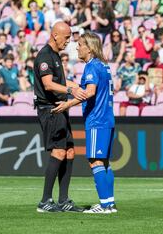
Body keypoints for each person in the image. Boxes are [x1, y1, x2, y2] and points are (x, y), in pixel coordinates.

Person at [51, 32, 116, 214]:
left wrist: (67, 104)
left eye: (80, 44)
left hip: (97, 120)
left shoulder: (91, 67)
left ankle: (104, 206)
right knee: (104, 162)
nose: (77, 47)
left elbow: (89, 92)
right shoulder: (104, 66)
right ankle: (109, 203)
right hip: (108, 118)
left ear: (89, 47)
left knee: (95, 161)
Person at [34, 22, 85, 213]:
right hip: (51, 109)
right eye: (67, 37)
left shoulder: (55, 56)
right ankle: (45, 201)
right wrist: (71, 90)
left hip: (61, 109)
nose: (69, 41)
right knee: (58, 152)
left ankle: (63, 200)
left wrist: (78, 88)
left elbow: (61, 81)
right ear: (56, 35)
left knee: (70, 151)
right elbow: (48, 85)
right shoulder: (45, 56)